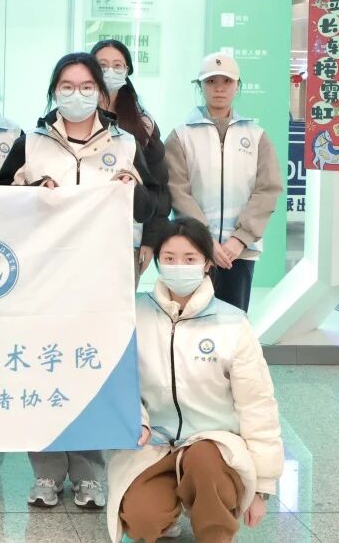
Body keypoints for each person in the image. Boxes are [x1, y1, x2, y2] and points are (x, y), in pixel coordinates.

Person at [0, 51, 153, 511]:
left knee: (90, 370)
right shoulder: (33, 142)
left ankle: (88, 474)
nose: (76, 95)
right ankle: (45, 472)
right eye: (66, 86)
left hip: (100, 278)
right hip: (42, 278)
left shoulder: (124, 142)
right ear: (54, 91)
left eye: (86, 87)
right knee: (42, 367)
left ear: (100, 92)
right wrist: (31, 192)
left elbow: (149, 208)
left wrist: (133, 187)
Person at [107, 216, 282, 543]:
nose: (179, 266)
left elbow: (257, 405)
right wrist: (139, 420)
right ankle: (171, 505)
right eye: (170, 258)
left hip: (214, 447)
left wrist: (263, 488)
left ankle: (214, 529)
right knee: (141, 521)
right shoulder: (135, 316)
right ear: (158, 262)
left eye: (189, 259)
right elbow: (120, 383)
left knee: (202, 459)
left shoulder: (232, 323)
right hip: (156, 445)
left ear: (206, 264)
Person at [164, 53, 282, 312]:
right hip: (193, 249)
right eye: (211, 81)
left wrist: (240, 239)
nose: (219, 88)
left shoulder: (256, 136)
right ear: (199, 86)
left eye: (227, 81)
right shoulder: (180, 136)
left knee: (233, 320)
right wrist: (205, 239)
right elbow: (177, 191)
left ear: (238, 85)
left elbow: (267, 189)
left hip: (239, 252)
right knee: (191, 319)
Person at [91, 39, 173, 273]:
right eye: (102, 65)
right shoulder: (73, 117)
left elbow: (158, 186)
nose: (109, 71)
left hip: (127, 240)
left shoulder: (143, 123)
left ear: (127, 71)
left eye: (118, 65)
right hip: (81, 235)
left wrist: (150, 240)